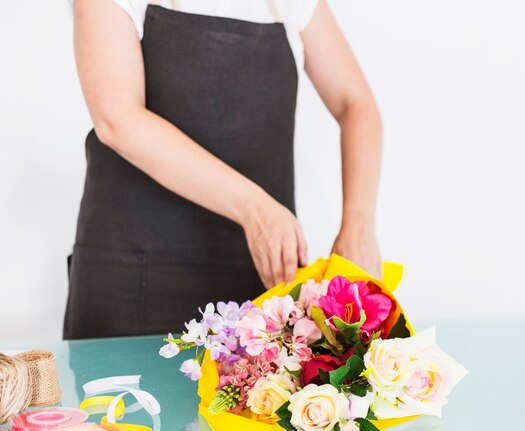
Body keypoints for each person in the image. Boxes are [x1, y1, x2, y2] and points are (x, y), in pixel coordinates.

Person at [64, 0, 383, 340]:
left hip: (259, 278)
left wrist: (358, 225)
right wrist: (253, 207)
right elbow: (117, 119)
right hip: (133, 275)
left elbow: (356, 104)